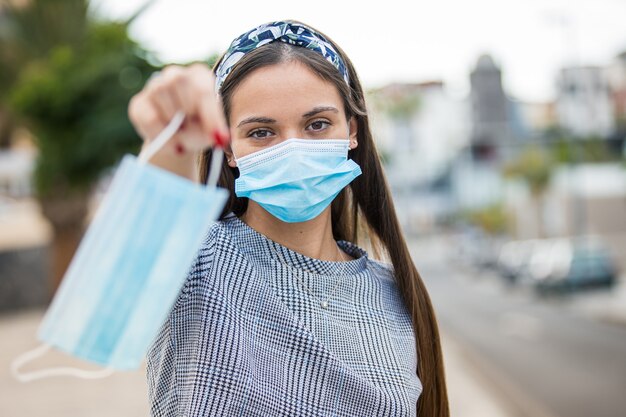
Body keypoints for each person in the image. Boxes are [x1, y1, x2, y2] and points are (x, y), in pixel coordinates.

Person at [128, 20, 449, 417]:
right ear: (227, 147)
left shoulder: (394, 293)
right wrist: (167, 140)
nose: (294, 149)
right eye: (262, 132)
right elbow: (123, 289)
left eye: (317, 125)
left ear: (351, 132)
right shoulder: (195, 261)